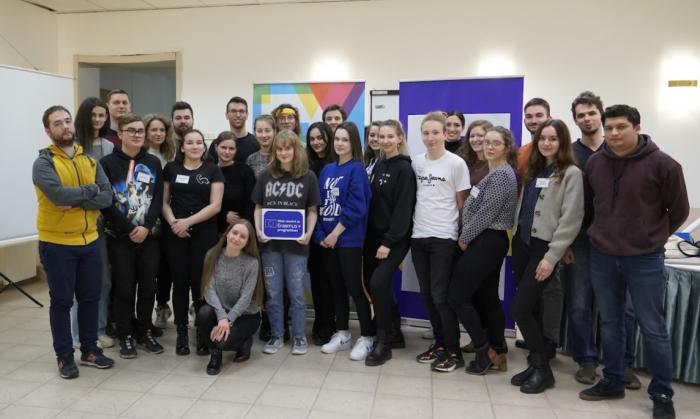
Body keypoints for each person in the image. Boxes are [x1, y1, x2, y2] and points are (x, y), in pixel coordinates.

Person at [580, 105, 688, 419]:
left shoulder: (664, 165)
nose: (614, 133)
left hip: (644, 259)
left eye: (621, 127)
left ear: (637, 128)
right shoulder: (596, 163)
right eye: (609, 127)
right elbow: (591, 205)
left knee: (653, 327)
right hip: (603, 255)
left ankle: (662, 393)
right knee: (610, 322)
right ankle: (613, 380)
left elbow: (679, 211)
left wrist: (652, 238)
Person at [33, 105, 114, 378]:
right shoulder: (43, 163)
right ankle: (64, 356)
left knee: (90, 298)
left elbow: (107, 197)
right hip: (57, 245)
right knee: (62, 302)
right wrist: (90, 191)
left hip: (90, 241)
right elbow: (58, 196)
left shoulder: (89, 159)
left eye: (67, 121)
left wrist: (78, 198)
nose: (65, 126)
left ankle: (90, 350)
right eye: (57, 123)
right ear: (48, 130)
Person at [510, 119, 583, 393]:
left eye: (553, 138)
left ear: (562, 142)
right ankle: (535, 364)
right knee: (533, 309)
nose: (547, 143)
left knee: (519, 308)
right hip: (522, 243)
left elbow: (571, 218)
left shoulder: (571, 173)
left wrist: (553, 256)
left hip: (544, 247)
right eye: (542, 138)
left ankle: (543, 369)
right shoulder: (534, 169)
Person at [443, 126, 518, 374]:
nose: (489, 147)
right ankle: (498, 349)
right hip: (487, 241)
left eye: (496, 143)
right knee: (487, 297)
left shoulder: (501, 175)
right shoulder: (493, 172)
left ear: (507, 147)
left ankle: (484, 350)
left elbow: (486, 214)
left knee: (456, 296)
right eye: (487, 142)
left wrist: (464, 239)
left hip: (486, 240)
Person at [100, 113, 165, 359]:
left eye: (140, 131)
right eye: (131, 131)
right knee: (124, 289)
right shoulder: (107, 163)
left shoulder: (153, 162)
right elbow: (106, 202)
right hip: (120, 238)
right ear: (120, 134)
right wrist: (129, 229)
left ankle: (144, 331)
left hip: (149, 237)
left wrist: (146, 226)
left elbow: (158, 197)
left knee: (148, 287)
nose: (137, 135)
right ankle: (125, 334)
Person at [411, 111, 471, 370]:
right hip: (418, 236)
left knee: (440, 296)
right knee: (427, 294)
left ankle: (454, 350)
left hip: (444, 237)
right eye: (426, 133)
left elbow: (463, 204)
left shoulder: (456, 164)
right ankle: (439, 344)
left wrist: (462, 237)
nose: (431, 137)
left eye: (435, 132)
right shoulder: (416, 163)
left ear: (445, 134)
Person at [252, 130, 319, 355]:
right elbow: (258, 207)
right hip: (270, 246)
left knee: (297, 293)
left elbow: (312, 210)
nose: (283, 153)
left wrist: (308, 233)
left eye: (287, 148)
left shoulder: (308, 177)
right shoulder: (265, 175)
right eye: (279, 149)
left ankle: (299, 337)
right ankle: (277, 335)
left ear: (296, 150)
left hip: (297, 246)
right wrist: (259, 230)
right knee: (273, 294)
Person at [162, 128, 224, 355]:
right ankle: (181, 330)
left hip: (204, 233)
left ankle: (201, 329)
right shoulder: (171, 168)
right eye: (190, 142)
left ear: (204, 147)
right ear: (182, 147)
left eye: (199, 142)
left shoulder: (213, 170)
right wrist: (174, 223)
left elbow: (215, 206)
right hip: (175, 233)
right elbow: (164, 201)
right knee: (180, 283)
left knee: (201, 284)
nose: (195, 146)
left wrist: (187, 222)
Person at [315, 122, 374, 360]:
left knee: (354, 287)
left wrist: (336, 233)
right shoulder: (327, 169)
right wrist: (321, 235)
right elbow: (319, 204)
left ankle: (367, 337)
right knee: (336, 287)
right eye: (337, 139)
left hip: (348, 240)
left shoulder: (357, 169)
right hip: (327, 240)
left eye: (345, 140)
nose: (339, 143)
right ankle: (342, 333)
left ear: (353, 143)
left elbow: (356, 207)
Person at [364, 119, 416, 366]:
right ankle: (394, 333)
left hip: (393, 239)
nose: (384, 140)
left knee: (378, 283)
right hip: (372, 237)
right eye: (380, 136)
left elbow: (403, 209)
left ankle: (383, 344)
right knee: (377, 286)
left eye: (389, 136)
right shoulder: (378, 164)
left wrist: (389, 242)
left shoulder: (404, 169)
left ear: (399, 138)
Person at [515, 98, 561, 359]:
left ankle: (548, 343)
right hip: (524, 235)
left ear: (549, 116)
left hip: (549, 240)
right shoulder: (524, 154)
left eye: (538, 115)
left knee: (550, 291)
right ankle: (535, 340)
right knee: (527, 293)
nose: (533, 120)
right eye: (529, 116)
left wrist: (562, 246)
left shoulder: (565, 162)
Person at [70, 97, 115, 349]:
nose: (97, 120)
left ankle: (98, 328)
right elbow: (72, 191)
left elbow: (109, 191)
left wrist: (92, 197)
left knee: (103, 280)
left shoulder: (109, 146)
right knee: (82, 281)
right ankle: (79, 334)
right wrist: (91, 197)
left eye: (102, 115)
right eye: (93, 115)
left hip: (104, 224)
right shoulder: (73, 146)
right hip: (78, 223)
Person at [196, 221, 264, 375]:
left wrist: (228, 320)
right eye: (234, 233)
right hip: (221, 312)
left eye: (243, 236)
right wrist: (221, 317)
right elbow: (209, 290)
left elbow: (245, 298)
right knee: (203, 313)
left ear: (247, 242)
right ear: (227, 233)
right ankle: (215, 354)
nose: (237, 238)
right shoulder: (212, 255)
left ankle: (244, 343)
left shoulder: (251, 263)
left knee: (222, 341)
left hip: (246, 315)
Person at [144, 114, 178, 331]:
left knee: (167, 266)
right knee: (151, 271)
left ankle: (163, 306)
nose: (158, 133)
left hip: (169, 216)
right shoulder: (141, 155)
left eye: (162, 130)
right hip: (147, 218)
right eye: (153, 129)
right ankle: (151, 312)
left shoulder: (171, 154)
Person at [305, 121, 334, 345]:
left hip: (333, 231)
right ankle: (321, 322)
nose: (316, 142)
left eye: (320, 137)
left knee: (331, 280)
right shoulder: (306, 163)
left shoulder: (337, 162)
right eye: (312, 138)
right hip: (311, 230)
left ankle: (332, 324)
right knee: (316, 280)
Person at [213, 131, 255, 231]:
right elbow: (204, 202)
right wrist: (224, 215)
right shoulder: (210, 171)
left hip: (240, 229)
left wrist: (243, 225)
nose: (227, 152)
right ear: (216, 147)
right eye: (223, 147)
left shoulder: (245, 171)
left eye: (231, 148)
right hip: (213, 229)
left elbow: (250, 203)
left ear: (236, 150)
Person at [208, 97, 260, 164]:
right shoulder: (217, 144)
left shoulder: (256, 143)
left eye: (241, 111)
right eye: (233, 111)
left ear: (247, 115)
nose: (238, 115)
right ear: (226, 115)